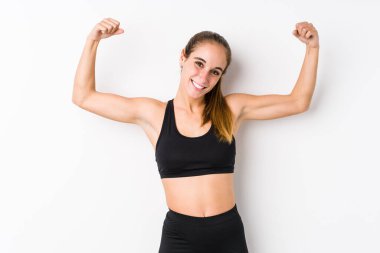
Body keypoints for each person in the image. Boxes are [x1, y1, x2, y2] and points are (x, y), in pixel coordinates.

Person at [72, 17, 319, 253]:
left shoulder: (231, 109)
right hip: (180, 237)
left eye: (215, 71)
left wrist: (312, 48)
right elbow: (83, 96)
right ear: (183, 57)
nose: (203, 77)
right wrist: (92, 41)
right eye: (199, 63)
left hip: (228, 234)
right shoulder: (155, 114)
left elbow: (298, 102)